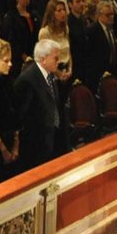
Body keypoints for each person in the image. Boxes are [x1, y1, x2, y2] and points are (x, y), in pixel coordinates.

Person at [11, 38, 71, 167]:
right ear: (43, 59)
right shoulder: (26, 80)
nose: (59, 61)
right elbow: (22, 118)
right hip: (37, 148)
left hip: (54, 139)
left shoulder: (50, 75)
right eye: (55, 58)